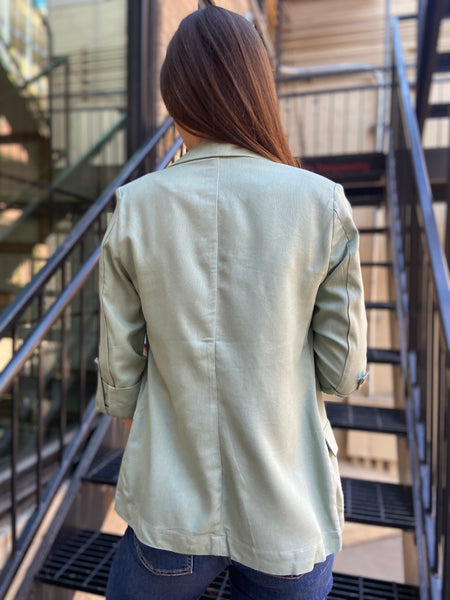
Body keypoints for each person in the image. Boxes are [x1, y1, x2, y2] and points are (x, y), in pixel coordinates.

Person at [95, 6, 367, 600]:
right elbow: (343, 375)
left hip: (171, 507)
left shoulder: (134, 207)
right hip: (287, 515)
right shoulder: (322, 205)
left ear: (175, 98)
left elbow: (120, 380)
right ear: (256, 92)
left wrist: (132, 404)